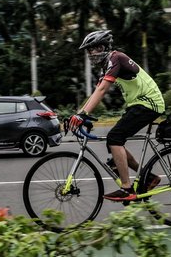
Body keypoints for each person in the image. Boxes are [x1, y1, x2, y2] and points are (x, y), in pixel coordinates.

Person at [69, 30, 165, 201]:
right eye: (88, 51)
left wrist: (82, 114)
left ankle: (127, 189)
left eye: (93, 49)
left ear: (103, 47)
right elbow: (96, 92)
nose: (90, 54)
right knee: (113, 141)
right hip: (138, 104)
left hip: (149, 103)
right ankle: (149, 177)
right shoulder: (107, 65)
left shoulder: (116, 58)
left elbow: (103, 89)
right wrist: (78, 115)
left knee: (115, 138)